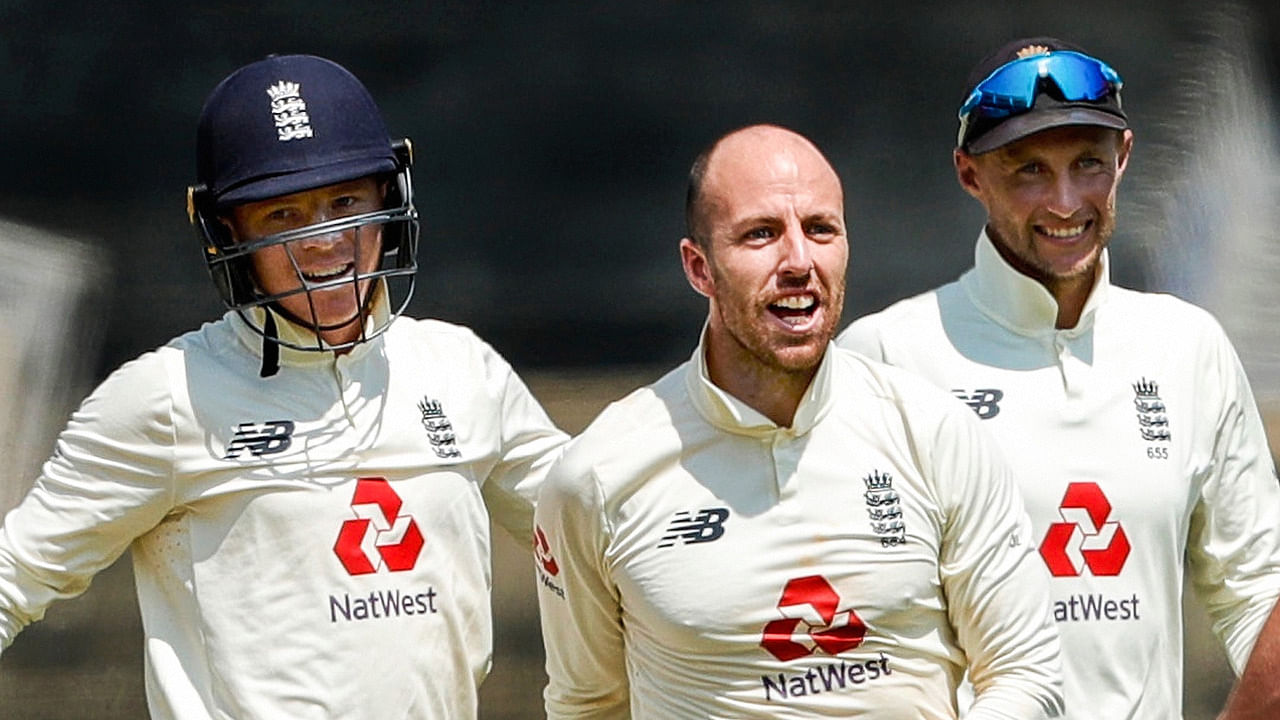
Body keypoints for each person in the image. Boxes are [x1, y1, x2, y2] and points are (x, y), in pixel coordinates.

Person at [0, 54, 568, 719]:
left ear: (390, 199)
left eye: (344, 202)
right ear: (224, 231)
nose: (324, 243)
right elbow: (17, 573)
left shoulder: (461, 368)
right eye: (283, 217)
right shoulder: (169, 396)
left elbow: (600, 532)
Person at [533, 123, 1064, 719]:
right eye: (760, 234)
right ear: (699, 268)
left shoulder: (935, 434)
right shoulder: (596, 477)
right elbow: (588, 708)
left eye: (820, 230)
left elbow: (1025, 675)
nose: (798, 261)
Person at [838, 37, 1280, 719]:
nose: (1067, 201)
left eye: (1087, 164)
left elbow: (1260, 589)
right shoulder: (885, 355)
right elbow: (844, 617)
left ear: (1124, 157)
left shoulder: (1187, 347)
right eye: (1028, 172)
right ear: (969, 174)